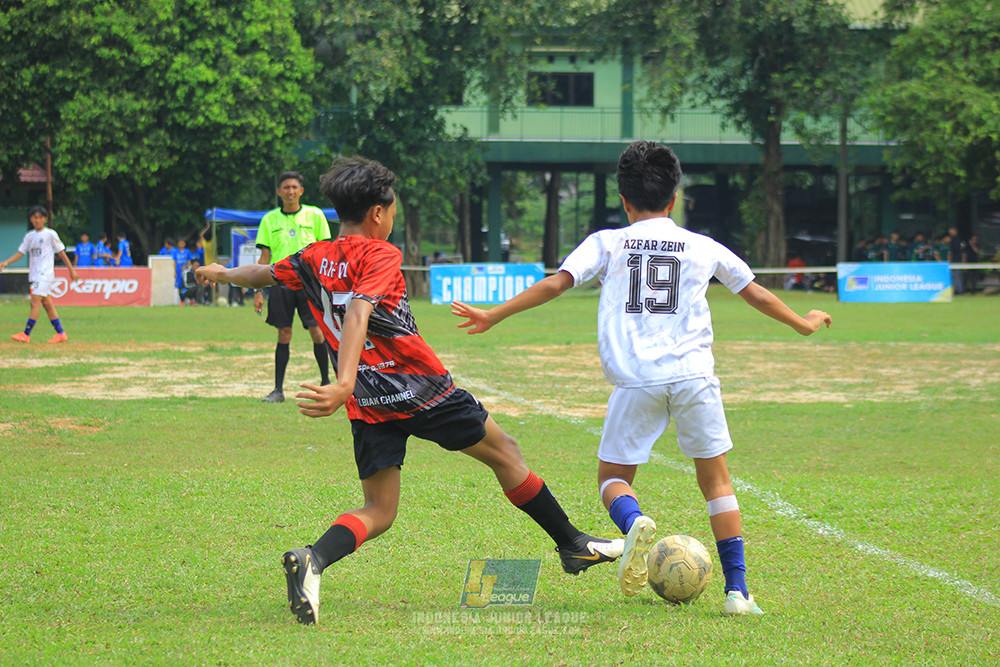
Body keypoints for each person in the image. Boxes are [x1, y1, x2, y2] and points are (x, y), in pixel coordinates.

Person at [195, 156, 623, 625]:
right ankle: (573, 544)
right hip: (421, 389)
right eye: (393, 208)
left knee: (380, 509)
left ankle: (313, 558)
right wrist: (339, 381)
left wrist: (223, 274)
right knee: (507, 454)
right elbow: (359, 310)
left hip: (366, 399)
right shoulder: (380, 254)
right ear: (378, 212)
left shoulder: (313, 256)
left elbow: (264, 275)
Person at [452, 141, 833, 616]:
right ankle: (738, 592)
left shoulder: (606, 242)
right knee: (716, 482)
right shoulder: (702, 245)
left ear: (624, 200)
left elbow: (556, 284)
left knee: (613, 477)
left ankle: (632, 522)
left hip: (635, 381)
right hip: (695, 376)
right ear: (674, 199)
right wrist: (802, 322)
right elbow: (754, 293)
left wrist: (493, 314)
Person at [254, 170, 334, 403]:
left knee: (317, 331)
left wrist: (328, 284)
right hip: (279, 283)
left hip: (310, 282)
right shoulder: (269, 220)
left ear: (301, 191)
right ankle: (278, 390)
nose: (290, 191)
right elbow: (264, 257)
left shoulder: (315, 215)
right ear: (279, 192)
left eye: (294, 187)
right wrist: (257, 291)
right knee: (283, 333)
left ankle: (326, 383)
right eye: (285, 187)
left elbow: (326, 252)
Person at [0, 205, 80, 343]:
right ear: (31, 219)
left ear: (45, 219)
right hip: (35, 274)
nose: (37, 220)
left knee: (34, 302)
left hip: (45, 274)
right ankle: (61, 333)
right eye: (34, 217)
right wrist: (7, 262)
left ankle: (26, 334)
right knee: (47, 304)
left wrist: (71, 270)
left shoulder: (50, 234)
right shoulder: (29, 236)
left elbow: (61, 252)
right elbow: (21, 252)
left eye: (40, 217)